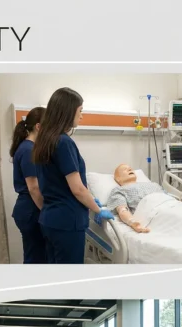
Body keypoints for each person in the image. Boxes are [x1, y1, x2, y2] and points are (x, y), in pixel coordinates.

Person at [32, 87, 115, 263]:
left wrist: (91, 199)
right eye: (80, 111)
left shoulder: (44, 141)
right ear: (68, 112)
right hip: (67, 222)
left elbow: (48, 184)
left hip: (49, 220)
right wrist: (98, 209)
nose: (82, 116)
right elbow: (77, 188)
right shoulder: (63, 143)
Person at [10, 106, 48, 263]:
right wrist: (47, 212)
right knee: (36, 259)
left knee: (36, 256)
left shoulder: (29, 148)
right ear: (39, 127)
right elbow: (33, 188)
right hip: (31, 211)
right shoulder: (28, 150)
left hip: (28, 210)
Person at [100, 164, 160, 233]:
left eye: (130, 168)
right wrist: (133, 223)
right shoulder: (119, 190)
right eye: (125, 169)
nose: (130, 169)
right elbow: (122, 210)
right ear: (118, 178)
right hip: (154, 213)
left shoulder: (153, 184)